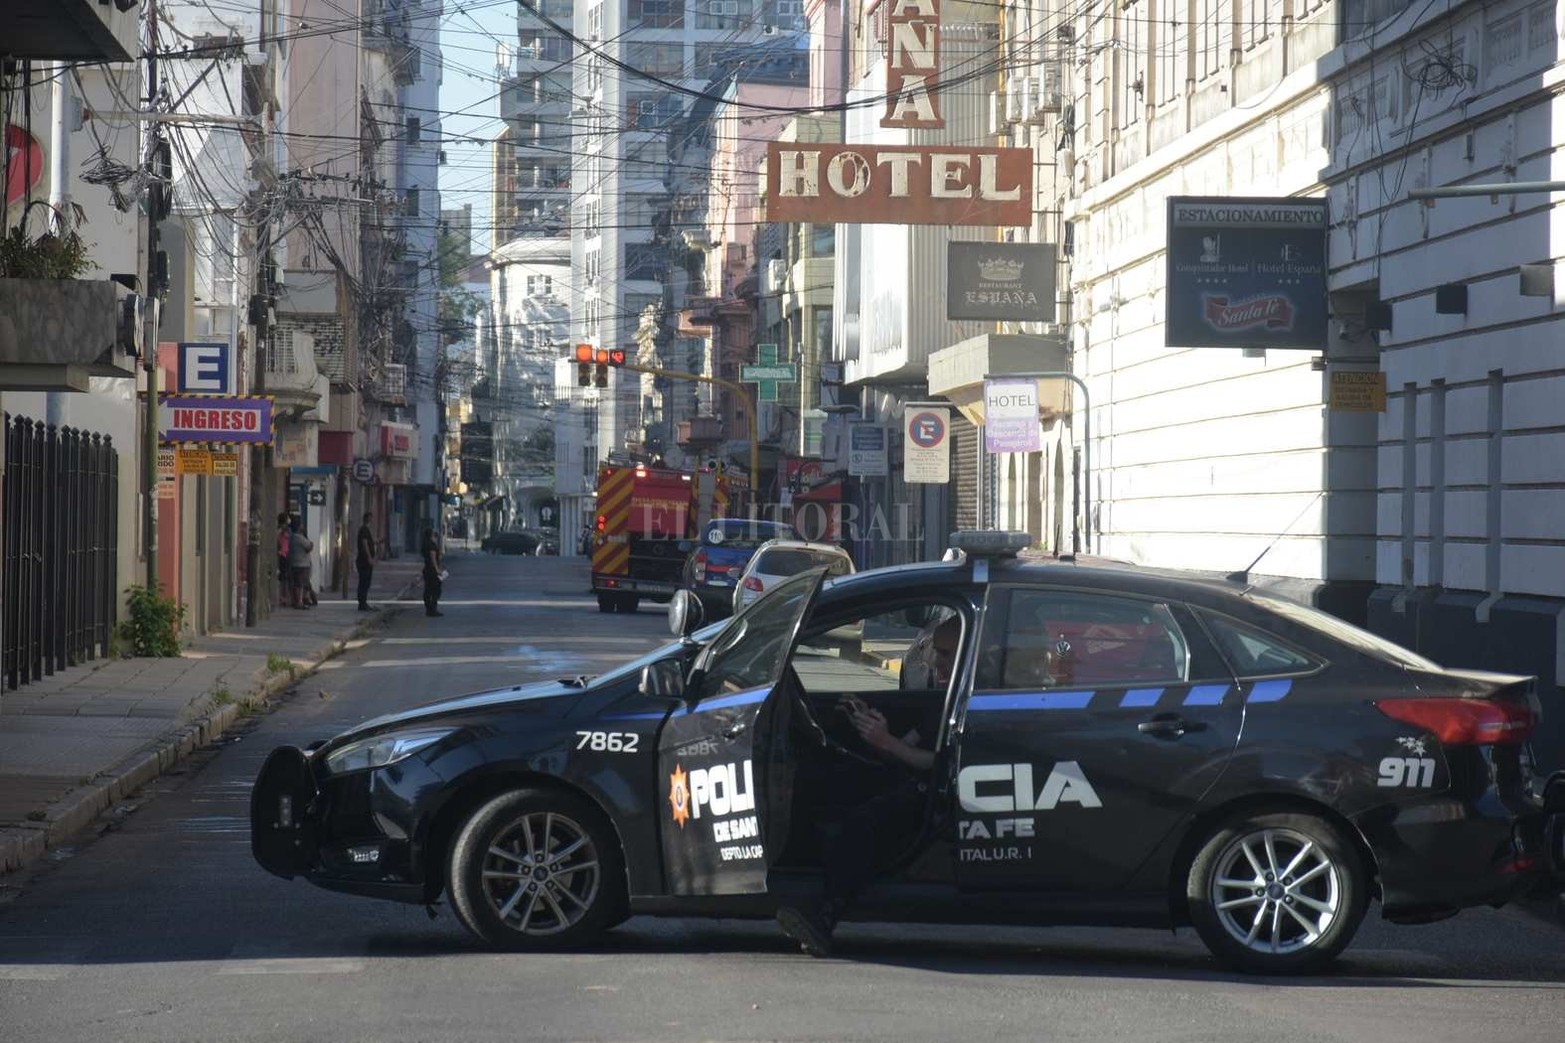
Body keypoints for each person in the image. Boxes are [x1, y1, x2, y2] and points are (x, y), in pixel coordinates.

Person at [774, 692, 939, 959]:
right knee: (827, 787)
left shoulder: (959, 706)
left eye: (945, 664)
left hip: (931, 795)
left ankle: (825, 917)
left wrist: (888, 741)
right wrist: (873, 732)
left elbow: (941, 762)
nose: (939, 669)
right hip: (905, 781)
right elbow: (901, 751)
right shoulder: (935, 709)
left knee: (861, 823)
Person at [287, 516, 316, 609]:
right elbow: (309, 546)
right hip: (302, 564)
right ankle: (300, 601)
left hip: (294, 563)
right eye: (301, 525)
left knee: (298, 583)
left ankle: (301, 599)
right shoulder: (299, 538)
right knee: (301, 584)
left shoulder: (292, 537)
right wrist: (311, 544)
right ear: (299, 526)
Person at [355, 511, 376, 611]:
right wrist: (369, 558)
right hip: (363, 561)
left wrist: (376, 542)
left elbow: (369, 542)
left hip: (365, 560)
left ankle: (363, 602)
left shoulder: (366, 530)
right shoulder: (364, 530)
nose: (372, 520)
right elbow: (365, 544)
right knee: (364, 581)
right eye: (371, 518)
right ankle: (362, 603)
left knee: (366, 582)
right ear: (368, 518)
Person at [421, 523, 443, 617]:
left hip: (426, 569)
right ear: (430, 535)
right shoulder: (431, 545)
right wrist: (437, 570)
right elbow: (433, 558)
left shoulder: (425, 544)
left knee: (428, 589)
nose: (434, 535)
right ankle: (433, 609)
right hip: (432, 570)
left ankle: (428, 608)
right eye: (433, 534)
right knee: (435, 590)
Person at [276, 513, 292, 607]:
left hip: (286, 554)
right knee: (283, 578)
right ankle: (283, 597)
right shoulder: (280, 531)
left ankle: (285, 597)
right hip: (283, 555)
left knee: (285, 578)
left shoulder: (287, 530)